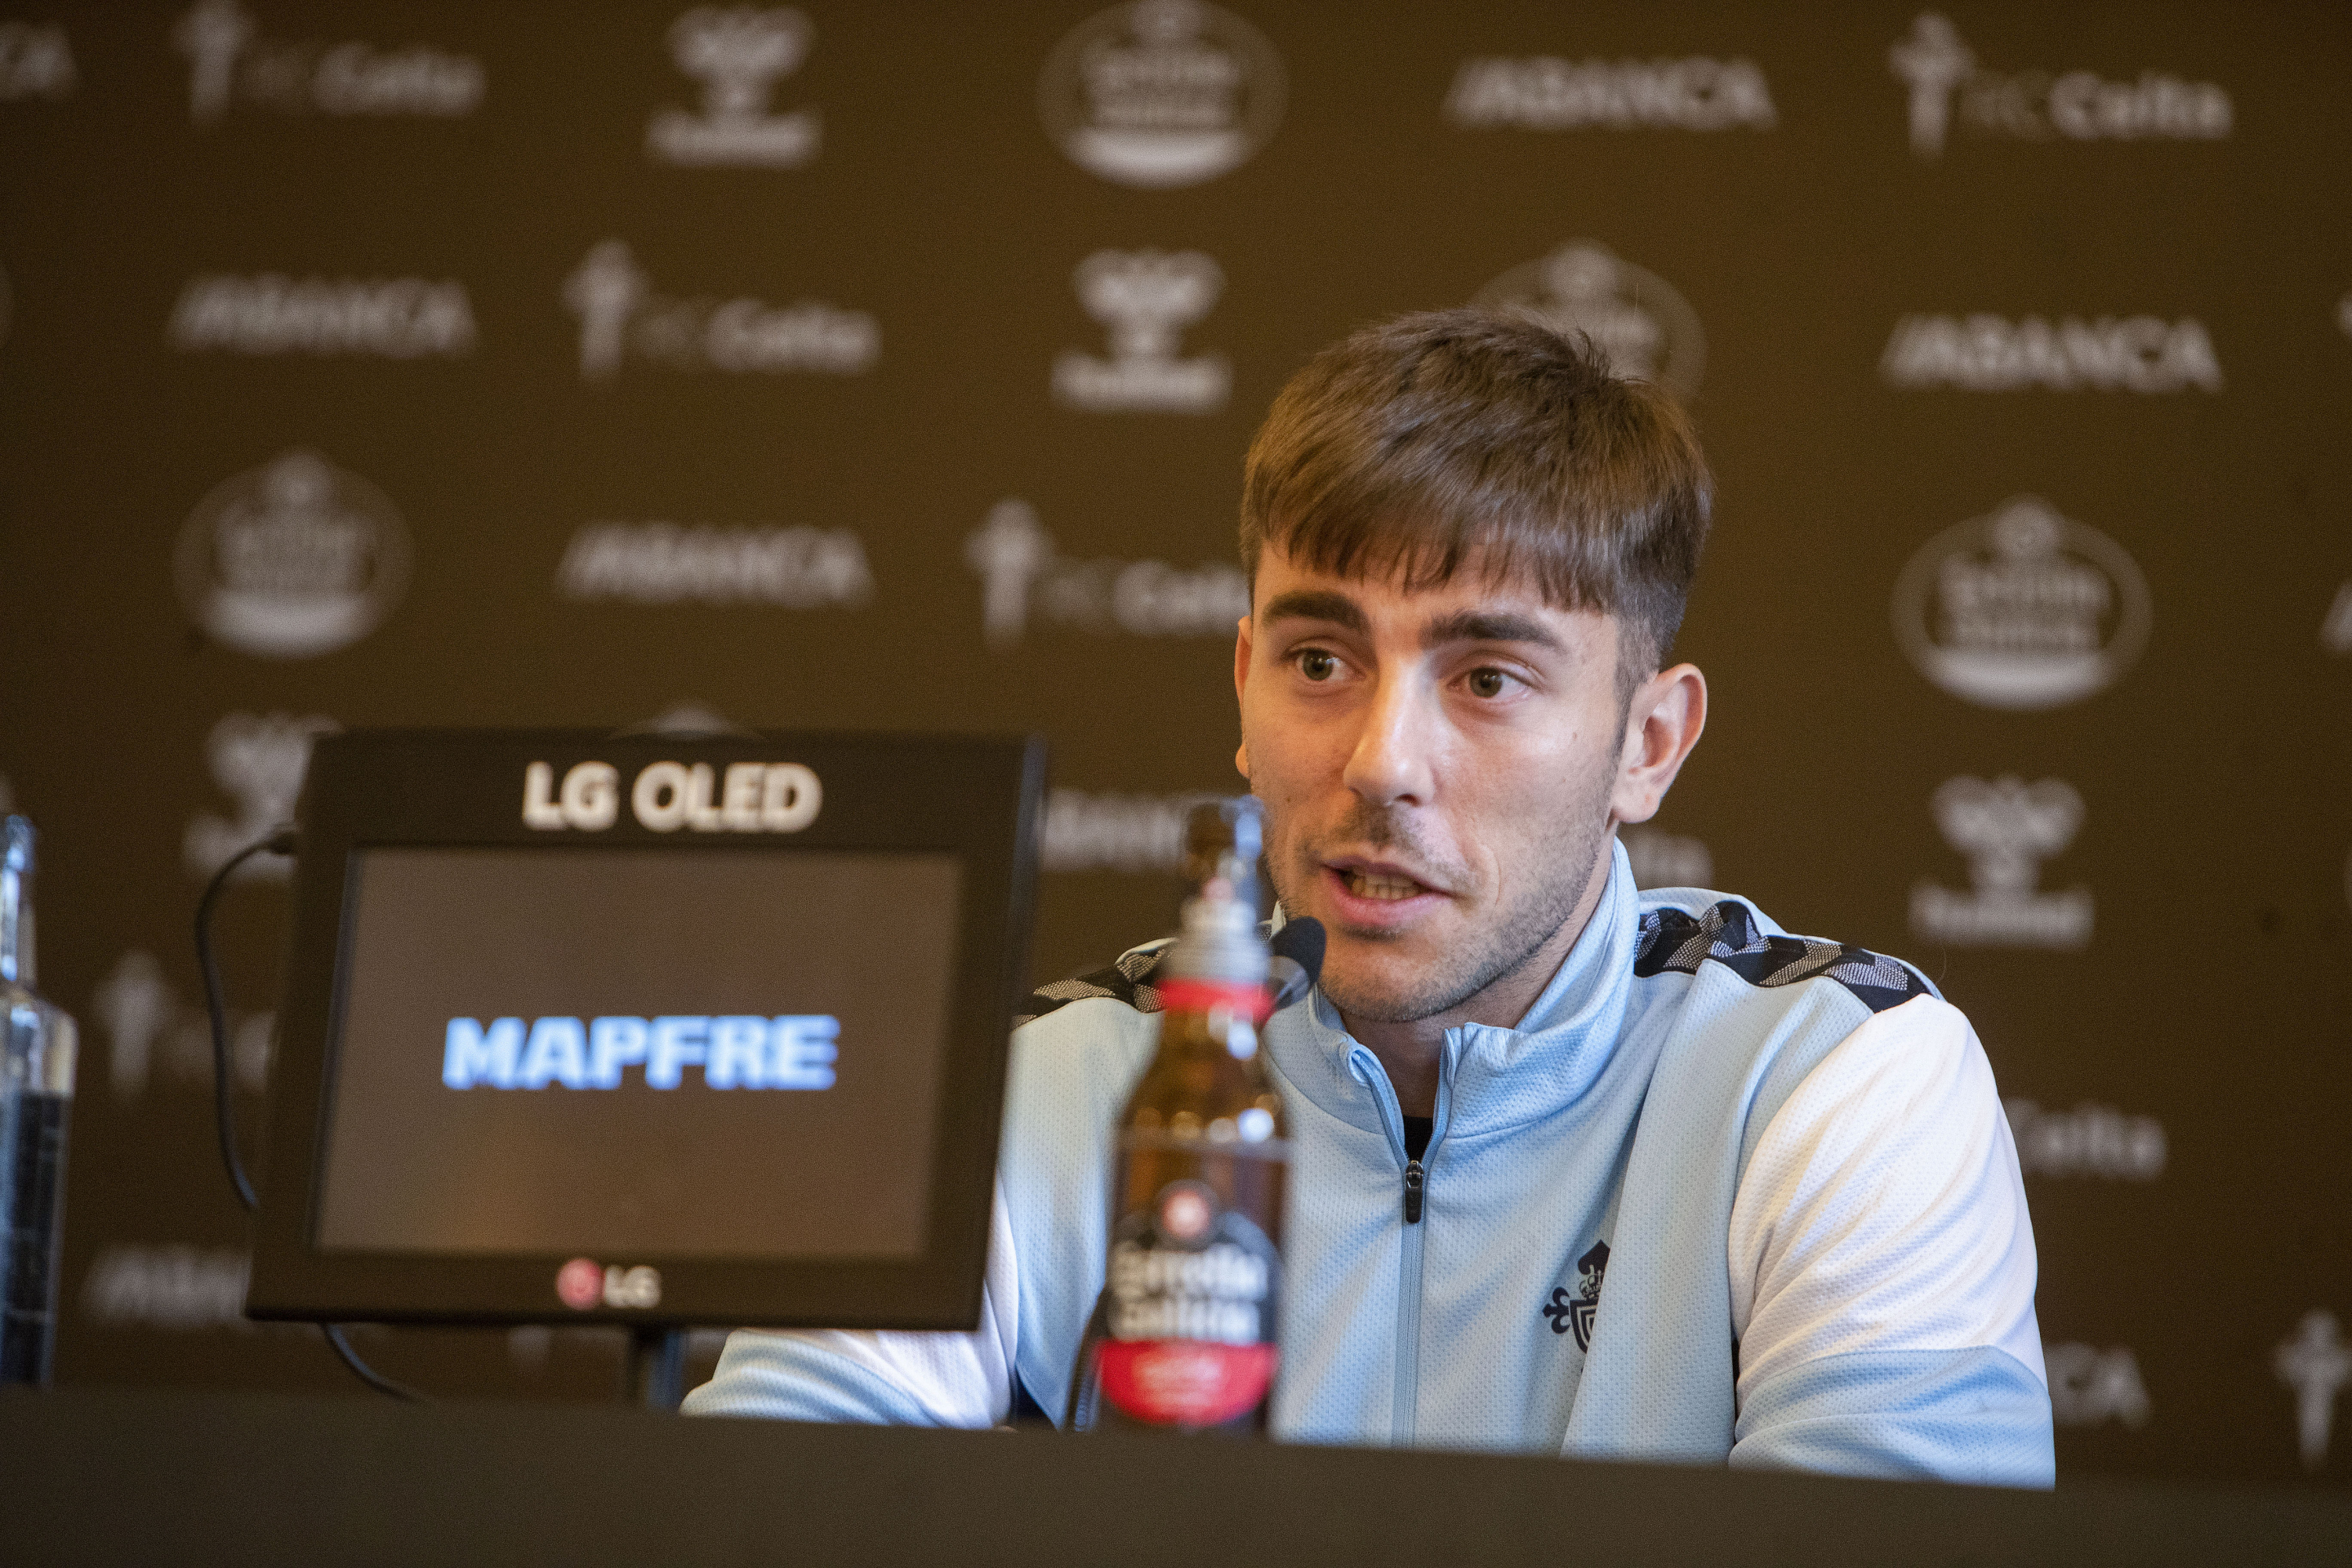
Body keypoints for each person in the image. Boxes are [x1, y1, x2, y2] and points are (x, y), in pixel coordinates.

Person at [684, 310, 2054, 1486]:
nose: (1382, 762)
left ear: (1649, 743)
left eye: (1489, 678)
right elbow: (747, 1525)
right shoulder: (1032, 1090)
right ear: (1243, 687)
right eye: (1323, 660)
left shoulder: (1832, 1075)